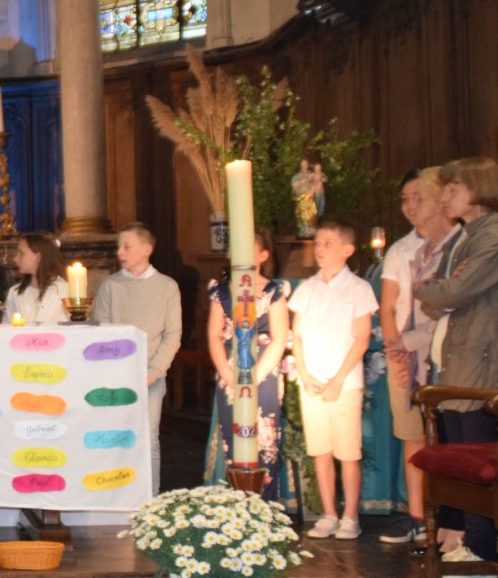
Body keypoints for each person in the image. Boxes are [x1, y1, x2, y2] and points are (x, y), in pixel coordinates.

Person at [415, 155, 498, 577]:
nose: (446, 196)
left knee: (480, 455)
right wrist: (435, 289)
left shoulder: (496, 234)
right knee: (460, 452)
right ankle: (466, 540)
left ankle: (484, 548)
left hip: (484, 359)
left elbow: (449, 289)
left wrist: (433, 288)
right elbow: (436, 291)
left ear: (478, 189)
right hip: (459, 357)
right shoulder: (466, 235)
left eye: (454, 188)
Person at [377, 169, 456, 545]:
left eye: (416, 197)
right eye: (404, 200)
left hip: (441, 346)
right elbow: (389, 306)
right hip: (405, 350)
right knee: (412, 434)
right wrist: (395, 349)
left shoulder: (456, 243)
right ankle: (416, 514)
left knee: (447, 435)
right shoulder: (401, 250)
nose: (409, 206)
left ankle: (449, 519)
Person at [288, 221, 379, 540]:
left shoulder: (359, 289)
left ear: (347, 250)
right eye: (318, 243)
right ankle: (328, 513)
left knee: (348, 453)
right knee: (321, 452)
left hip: (345, 383)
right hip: (312, 382)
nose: (320, 248)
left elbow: (362, 338)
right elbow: (296, 336)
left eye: (328, 243)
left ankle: (350, 515)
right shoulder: (307, 288)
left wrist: (339, 378)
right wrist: (305, 372)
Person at [93, 223, 182, 490]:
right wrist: (116, 370)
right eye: (119, 246)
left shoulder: (167, 286)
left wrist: (153, 372)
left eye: (127, 246)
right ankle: (117, 493)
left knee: (148, 439)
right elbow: (103, 330)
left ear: (147, 249)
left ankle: (149, 497)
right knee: (115, 437)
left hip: (149, 376)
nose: (120, 252)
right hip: (116, 375)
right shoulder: (110, 285)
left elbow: (172, 334)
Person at [203, 231, 291, 497]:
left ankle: (265, 504)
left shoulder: (274, 292)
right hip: (230, 371)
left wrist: (256, 376)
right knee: (234, 436)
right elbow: (215, 334)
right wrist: (227, 374)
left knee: (264, 439)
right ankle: (236, 503)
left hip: (263, 372)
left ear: (263, 256)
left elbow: (278, 338)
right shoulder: (222, 292)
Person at [3, 232, 70, 326]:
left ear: (38, 257)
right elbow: (6, 328)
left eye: (21, 253)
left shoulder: (66, 290)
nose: (16, 259)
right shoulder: (15, 293)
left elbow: (78, 328)